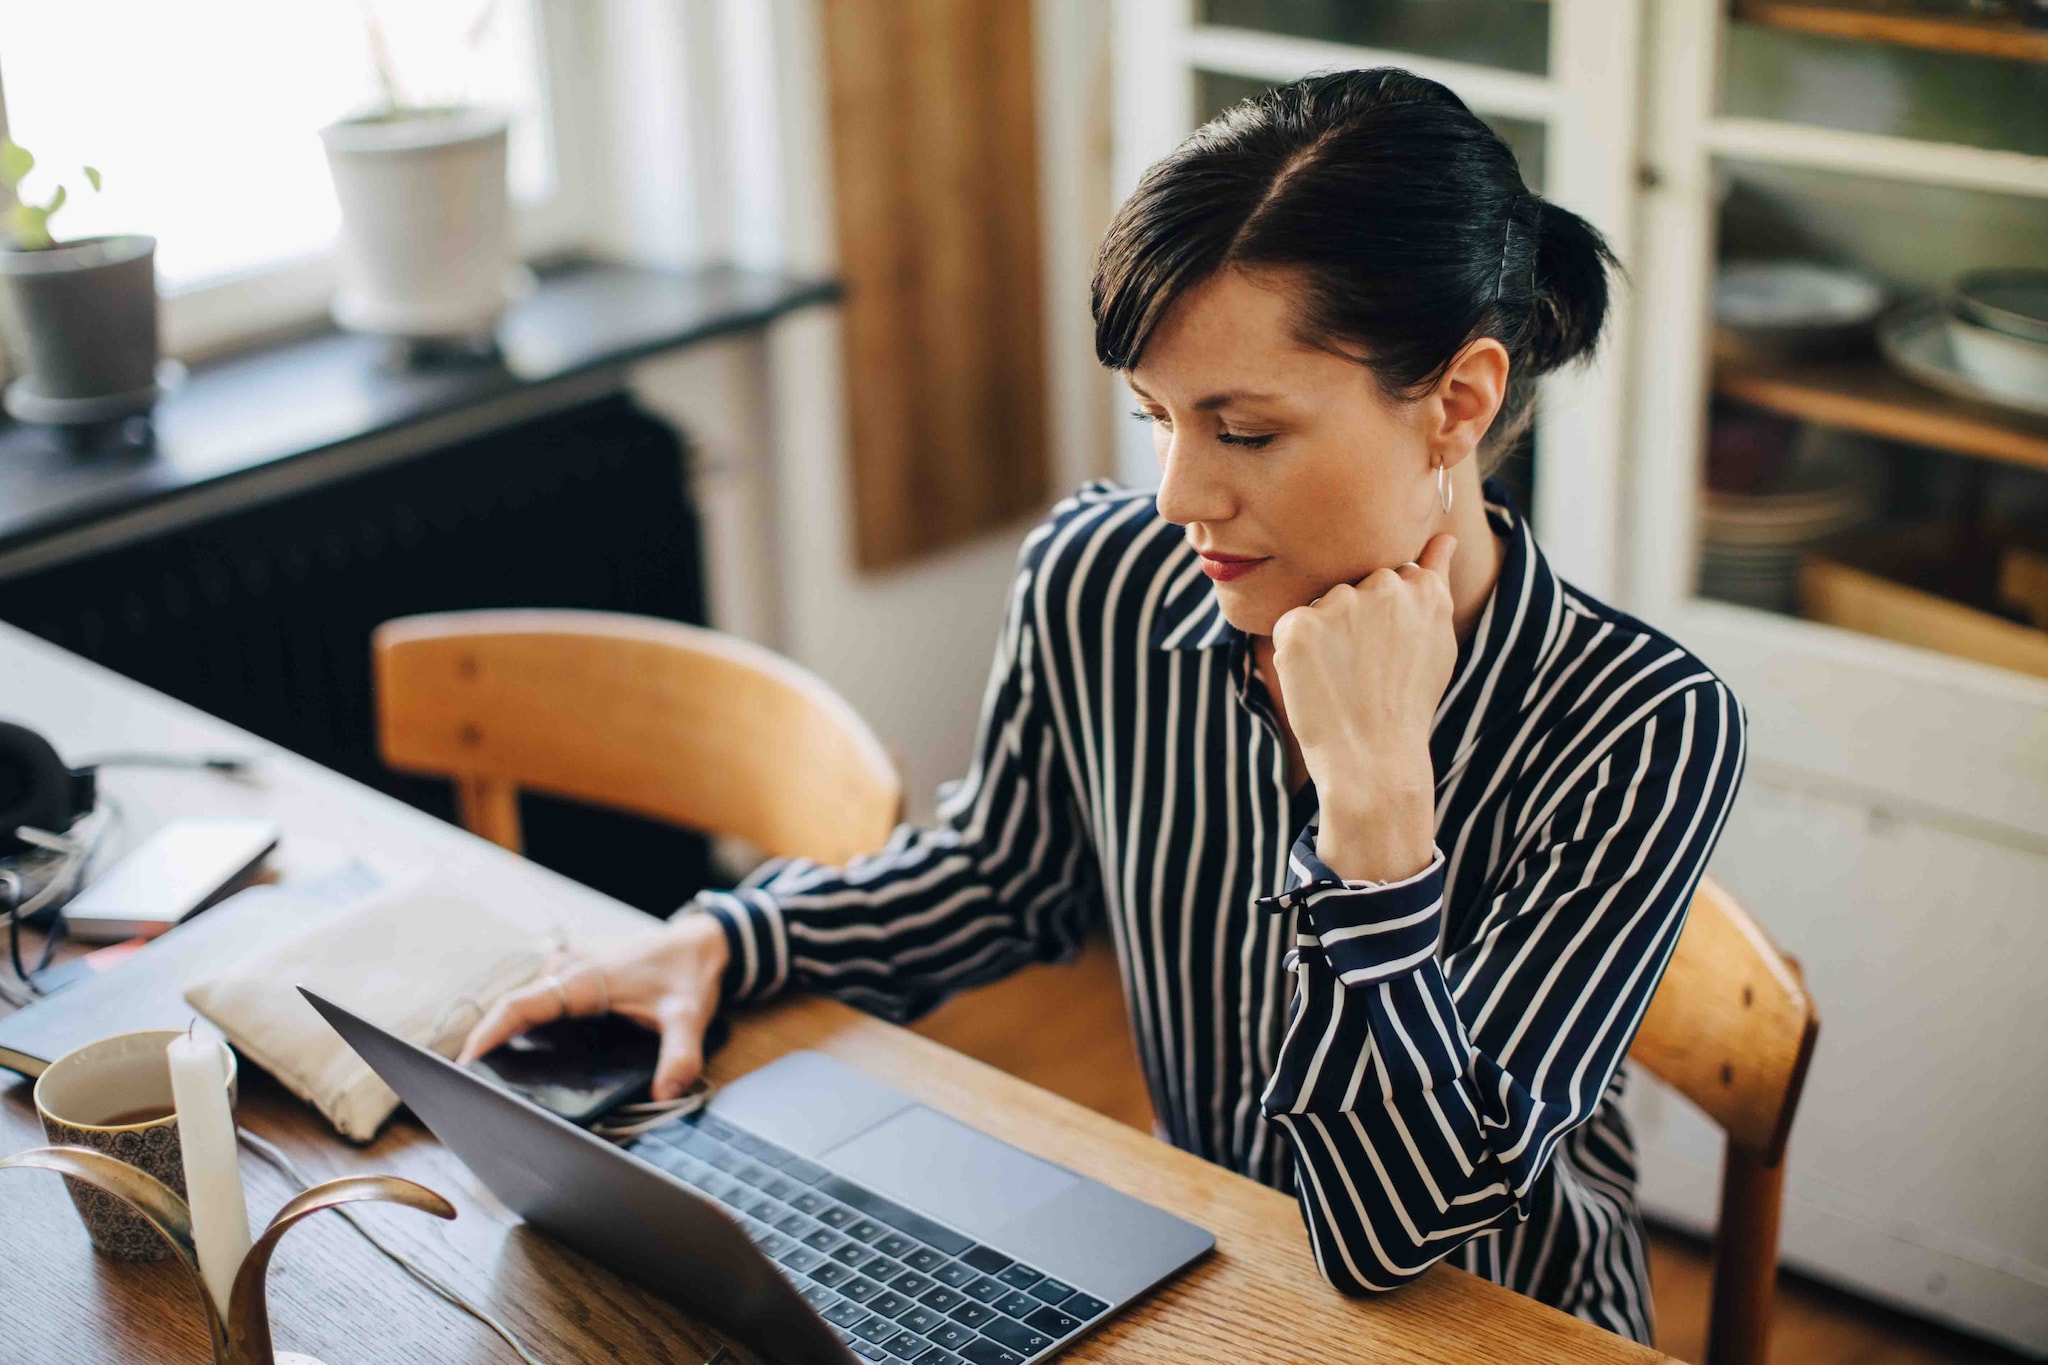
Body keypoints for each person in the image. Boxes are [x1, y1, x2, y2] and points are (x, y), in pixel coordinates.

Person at [461, 68, 1745, 1344]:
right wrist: (725, 942)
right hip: (1218, 1274)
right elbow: (997, 875)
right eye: (1156, 420)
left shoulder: (1640, 728)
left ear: (1456, 403)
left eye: (1242, 432)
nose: (1180, 496)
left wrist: (1376, 810)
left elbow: (1390, 1233)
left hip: (1498, 1327)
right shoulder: (1102, 577)